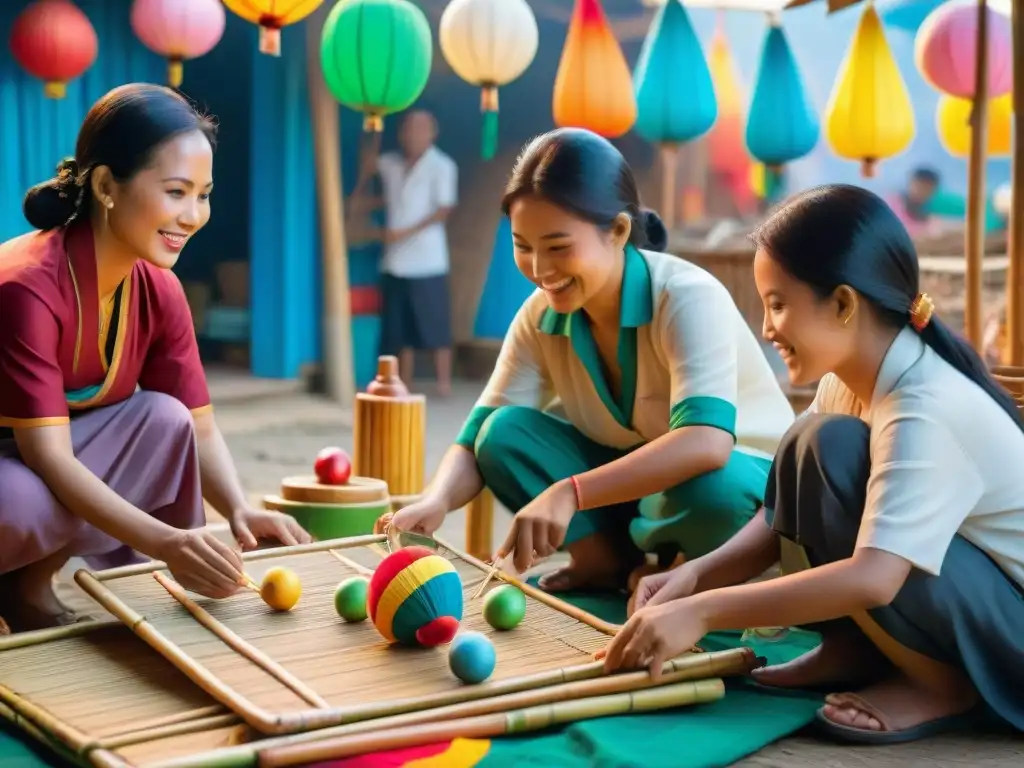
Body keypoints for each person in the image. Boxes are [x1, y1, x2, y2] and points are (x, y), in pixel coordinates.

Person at [600, 183, 1024, 744]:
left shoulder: (922, 405)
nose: (767, 328)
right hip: (967, 607)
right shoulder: (847, 382)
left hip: (1011, 638)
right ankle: (853, 649)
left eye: (778, 304)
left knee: (829, 449)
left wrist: (702, 613)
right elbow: (778, 518)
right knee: (812, 445)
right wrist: (693, 576)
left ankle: (944, 684)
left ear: (844, 304)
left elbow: (875, 577)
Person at [385, 127, 796, 593]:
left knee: (711, 490)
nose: (540, 269)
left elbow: (705, 443)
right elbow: (478, 433)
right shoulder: (539, 316)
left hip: (746, 491)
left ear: (618, 232)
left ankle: (693, 573)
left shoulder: (686, 296)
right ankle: (605, 562)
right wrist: (436, 501)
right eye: (523, 246)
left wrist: (570, 492)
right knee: (502, 435)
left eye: (558, 247)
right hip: (644, 493)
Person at [0, 83, 311, 634]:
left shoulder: (158, 287)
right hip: (22, 471)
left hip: (41, 460)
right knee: (21, 503)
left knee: (163, 421)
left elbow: (198, 427)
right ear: (105, 186)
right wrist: (166, 541)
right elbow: (49, 457)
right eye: (175, 192)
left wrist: (238, 509)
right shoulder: (27, 288)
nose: (192, 215)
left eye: (204, 194)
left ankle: (25, 587)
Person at [355, 110, 458, 396]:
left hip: (428, 259)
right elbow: (367, 166)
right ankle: (404, 382)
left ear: (432, 133)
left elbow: (443, 210)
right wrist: (372, 125)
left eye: (421, 128)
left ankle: (443, 385)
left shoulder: (442, 165)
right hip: (395, 259)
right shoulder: (391, 163)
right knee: (399, 327)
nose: (414, 134)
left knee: (435, 324)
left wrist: (404, 232)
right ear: (401, 134)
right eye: (409, 128)